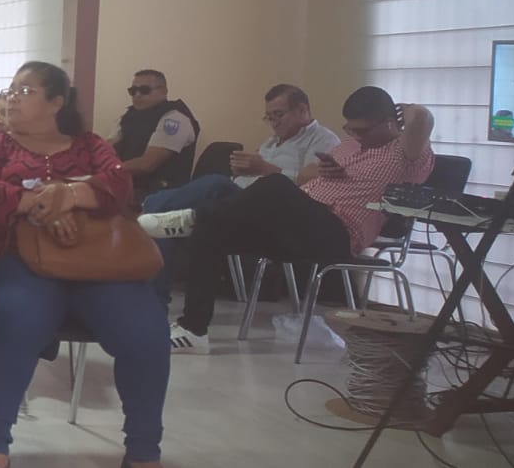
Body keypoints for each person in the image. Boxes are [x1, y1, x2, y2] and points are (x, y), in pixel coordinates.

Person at [0, 61, 167, 468]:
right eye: (11, 90)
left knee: (147, 330)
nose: (12, 99)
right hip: (17, 259)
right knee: (18, 318)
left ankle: (144, 452)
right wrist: (40, 205)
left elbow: (119, 184)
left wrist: (68, 196)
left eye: (24, 91)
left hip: (97, 264)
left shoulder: (89, 145)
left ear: (56, 102)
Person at [149, 88, 435, 354]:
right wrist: (325, 171)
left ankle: (193, 217)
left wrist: (407, 109)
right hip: (299, 223)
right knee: (210, 232)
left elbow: (422, 118)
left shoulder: (408, 155)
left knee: (274, 185)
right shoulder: (348, 146)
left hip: (338, 231)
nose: (356, 136)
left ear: (389, 122)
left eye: (362, 130)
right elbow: (304, 176)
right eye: (351, 129)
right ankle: (194, 330)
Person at [138, 84, 339, 300]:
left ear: (302, 110)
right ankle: (154, 295)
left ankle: (145, 209)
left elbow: (310, 183)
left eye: (279, 115)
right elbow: (258, 172)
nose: (274, 122)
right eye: (269, 117)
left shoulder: (323, 139)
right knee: (169, 219)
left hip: (273, 211)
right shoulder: (271, 141)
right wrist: (244, 171)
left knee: (214, 183)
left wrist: (264, 169)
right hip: (241, 200)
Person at [110, 69, 200, 197]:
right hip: (129, 187)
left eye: (144, 90)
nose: (137, 95)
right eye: (133, 91)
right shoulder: (128, 116)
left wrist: (110, 169)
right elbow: (107, 147)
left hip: (160, 195)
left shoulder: (174, 119)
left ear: (163, 91)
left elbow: (147, 164)